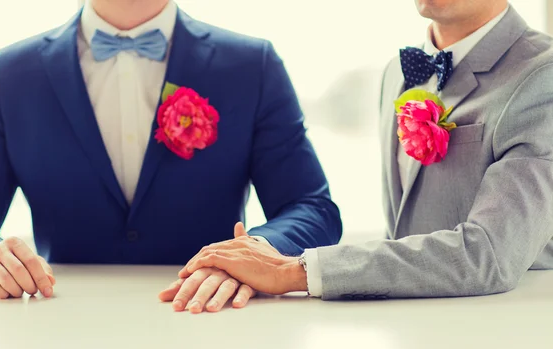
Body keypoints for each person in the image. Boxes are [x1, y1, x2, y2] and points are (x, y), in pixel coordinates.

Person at [0, 0, 342, 309]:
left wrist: (255, 255)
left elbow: (311, 206)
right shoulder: (12, 72)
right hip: (57, 320)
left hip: (213, 322)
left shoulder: (251, 64)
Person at [176, 1, 553, 301]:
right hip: (413, 335)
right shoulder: (398, 73)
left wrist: (293, 272)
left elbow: (490, 254)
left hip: (499, 335)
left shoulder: (543, 76)